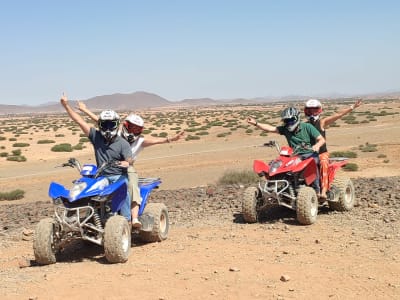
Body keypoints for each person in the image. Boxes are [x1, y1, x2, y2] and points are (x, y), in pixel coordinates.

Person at [77, 101, 185, 228]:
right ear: (125, 125)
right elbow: (100, 121)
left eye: (137, 129)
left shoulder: (140, 141)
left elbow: (158, 141)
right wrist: (84, 110)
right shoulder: (114, 133)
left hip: (127, 168)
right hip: (107, 168)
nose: (134, 132)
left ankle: (133, 219)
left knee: (132, 185)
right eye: (132, 128)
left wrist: (171, 139)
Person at [60, 94, 133, 222]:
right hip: (101, 177)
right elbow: (79, 121)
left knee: (124, 188)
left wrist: (122, 163)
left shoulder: (123, 143)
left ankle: (126, 220)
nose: (108, 128)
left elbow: (129, 161)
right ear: (100, 125)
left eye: (111, 125)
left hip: (117, 177)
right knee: (85, 190)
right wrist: (66, 106)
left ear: (116, 125)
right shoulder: (96, 137)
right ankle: (87, 218)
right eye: (105, 125)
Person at [247, 106, 326, 194]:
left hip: (309, 154)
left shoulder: (307, 127)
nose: (289, 123)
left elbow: (321, 139)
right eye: (286, 121)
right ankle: (278, 187)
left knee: (313, 162)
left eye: (291, 120)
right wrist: (256, 123)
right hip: (295, 155)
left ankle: (317, 191)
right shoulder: (285, 129)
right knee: (277, 164)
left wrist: (317, 146)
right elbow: (270, 128)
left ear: (297, 118)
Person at [304, 98, 362, 199]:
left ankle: (323, 192)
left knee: (323, 163)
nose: (312, 112)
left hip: (321, 153)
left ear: (319, 110)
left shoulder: (322, 122)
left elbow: (338, 115)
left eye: (315, 110)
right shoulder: (304, 125)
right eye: (310, 110)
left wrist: (352, 107)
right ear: (306, 111)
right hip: (308, 154)